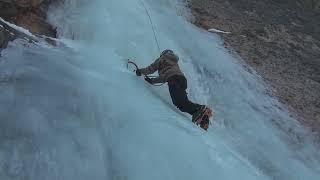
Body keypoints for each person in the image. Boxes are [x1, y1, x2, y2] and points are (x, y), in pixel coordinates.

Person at [136, 49, 213, 130]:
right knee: (182, 103)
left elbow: (151, 69)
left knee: (179, 102)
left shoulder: (161, 59)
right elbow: (164, 77)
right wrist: (152, 81)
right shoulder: (174, 62)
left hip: (173, 80)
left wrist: (140, 72)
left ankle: (201, 109)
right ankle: (200, 116)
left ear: (163, 54)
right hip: (182, 80)